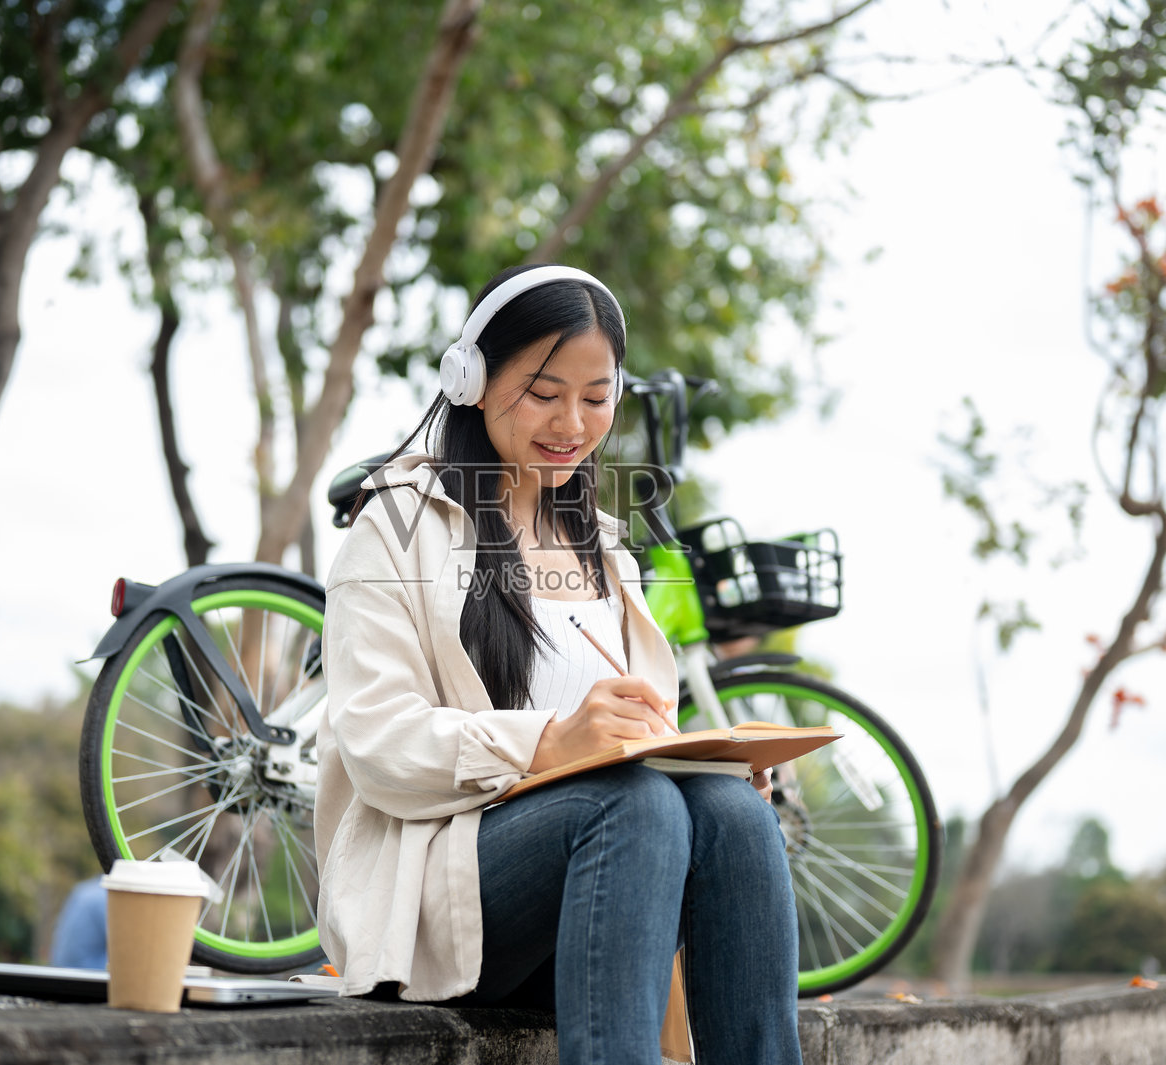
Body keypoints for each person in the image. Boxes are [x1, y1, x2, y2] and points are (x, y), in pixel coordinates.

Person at [316, 264, 802, 1065]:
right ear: (471, 379)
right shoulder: (399, 524)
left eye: (597, 396)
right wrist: (552, 742)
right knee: (634, 806)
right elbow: (379, 744)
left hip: (605, 890)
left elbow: (634, 738)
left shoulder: (606, 548)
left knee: (733, 813)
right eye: (543, 392)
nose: (572, 422)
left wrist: (703, 764)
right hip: (438, 905)